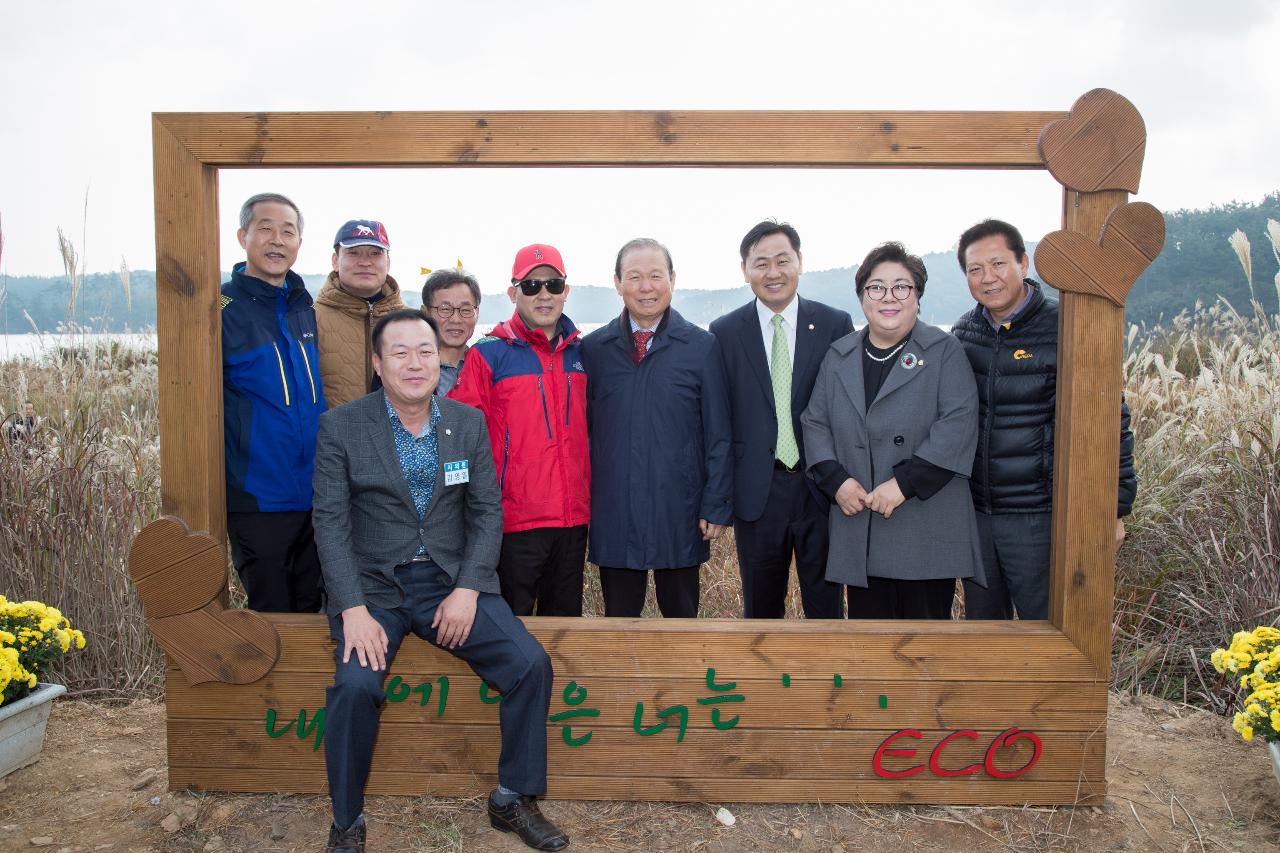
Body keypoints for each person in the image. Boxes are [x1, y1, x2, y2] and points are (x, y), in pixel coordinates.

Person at [313, 309, 568, 853]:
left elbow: (487, 513)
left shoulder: (465, 422)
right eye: (399, 352)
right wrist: (352, 609)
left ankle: (512, 798)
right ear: (377, 364)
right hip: (374, 589)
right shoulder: (343, 426)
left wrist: (470, 587)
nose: (414, 362)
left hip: (450, 581)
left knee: (529, 665)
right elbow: (330, 524)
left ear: (439, 360)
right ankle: (347, 819)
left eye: (425, 351)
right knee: (355, 688)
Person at [952, 219, 1136, 620]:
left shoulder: (1065, 327)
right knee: (983, 633)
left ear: (1024, 263)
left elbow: (1110, 420)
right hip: (978, 515)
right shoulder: (964, 333)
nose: (988, 278)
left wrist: (1113, 509)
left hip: (1041, 517)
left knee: (1050, 628)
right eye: (975, 269)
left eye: (998, 264)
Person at [801, 242, 984, 619]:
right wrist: (835, 481)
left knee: (923, 651)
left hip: (923, 521)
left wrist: (903, 484)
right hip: (862, 520)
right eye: (876, 287)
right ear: (862, 296)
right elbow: (814, 421)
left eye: (902, 287)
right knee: (871, 651)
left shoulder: (943, 350)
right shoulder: (839, 356)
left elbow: (958, 424)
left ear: (917, 296)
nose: (889, 297)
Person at [581, 238, 732, 618]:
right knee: (619, 624)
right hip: (614, 508)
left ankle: (683, 681)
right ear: (617, 282)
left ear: (673, 279)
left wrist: (715, 503)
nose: (645, 286)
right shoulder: (594, 349)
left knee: (681, 623)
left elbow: (719, 433)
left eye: (655, 275)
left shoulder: (701, 347)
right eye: (634, 277)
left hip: (678, 509)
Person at [710, 221, 851, 619]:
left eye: (782, 260)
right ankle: (763, 682)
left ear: (800, 262)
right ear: (745, 270)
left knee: (826, 609)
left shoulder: (834, 324)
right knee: (761, 610)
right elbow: (719, 420)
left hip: (820, 489)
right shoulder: (723, 332)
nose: (773, 272)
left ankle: (827, 680)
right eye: (761, 263)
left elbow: (846, 408)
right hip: (757, 491)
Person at [448, 244, 589, 616]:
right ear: (513, 292)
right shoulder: (488, 354)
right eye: (531, 286)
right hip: (514, 521)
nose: (543, 294)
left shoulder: (581, 353)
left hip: (573, 520)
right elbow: (460, 436)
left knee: (565, 629)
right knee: (511, 628)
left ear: (565, 290)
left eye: (553, 284)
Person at [220, 192, 325, 613]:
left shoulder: (305, 310)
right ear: (243, 236)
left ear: (300, 242)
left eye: (288, 231)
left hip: (315, 498)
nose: (277, 240)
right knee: (271, 614)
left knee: (312, 613)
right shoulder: (221, 310)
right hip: (258, 497)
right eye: (265, 228)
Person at [313, 219, 408, 408]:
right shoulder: (309, 319)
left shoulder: (411, 323)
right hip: (331, 436)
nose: (365, 262)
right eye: (353, 252)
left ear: (387, 262)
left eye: (375, 253)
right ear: (335, 261)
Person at [422, 266, 482, 396]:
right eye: (445, 309)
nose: (456, 319)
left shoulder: (487, 366)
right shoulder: (411, 368)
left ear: (477, 313)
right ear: (425, 313)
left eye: (465, 310)